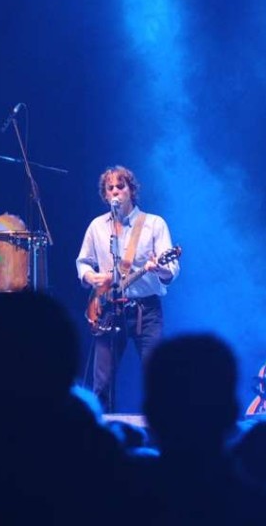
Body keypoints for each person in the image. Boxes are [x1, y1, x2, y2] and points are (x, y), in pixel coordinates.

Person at [76, 165, 179, 412]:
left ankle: (159, 437)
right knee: (101, 384)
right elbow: (83, 262)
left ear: (131, 190)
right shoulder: (97, 226)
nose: (115, 192)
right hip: (108, 309)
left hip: (146, 311)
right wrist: (91, 278)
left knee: (156, 378)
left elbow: (172, 269)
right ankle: (104, 439)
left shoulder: (154, 224)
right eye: (110, 188)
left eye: (120, 187)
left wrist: (158, 268)